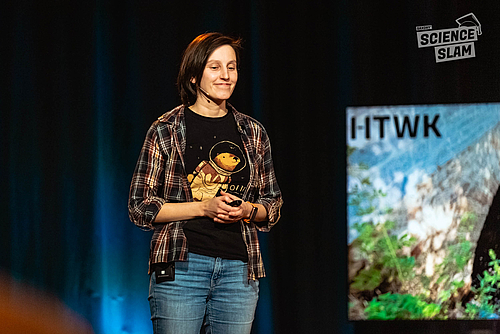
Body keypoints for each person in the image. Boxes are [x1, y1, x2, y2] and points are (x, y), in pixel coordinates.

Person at [128, 32, 283, 334]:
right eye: (215, 67)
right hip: (181, 268)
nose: (225, 76)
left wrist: (247, 210)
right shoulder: (166, 129)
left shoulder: (253, 132)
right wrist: (203, 208)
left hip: (239, 271)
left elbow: (272, 204)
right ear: (194, 76)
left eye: (232, 67)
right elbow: (140, 207)